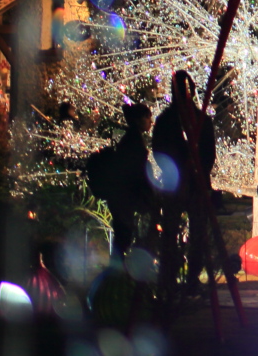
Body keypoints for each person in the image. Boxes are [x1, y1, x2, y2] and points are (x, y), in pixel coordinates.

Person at [153, 71, 217, 294]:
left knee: (197, 231)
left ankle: (190, 277)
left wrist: (199, 171)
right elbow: (160, 151)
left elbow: (209, 153)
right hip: (176, 182)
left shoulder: (200, 120)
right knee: (171, 231)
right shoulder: (167, 121)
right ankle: (170, 276)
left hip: (195, 182)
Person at [88, 102, 154, 256]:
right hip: (124, 196)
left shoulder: (131, 138)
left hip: (121, 196)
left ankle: (118, 272)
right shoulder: (133, 141)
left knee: (123, 234)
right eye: (147, 117)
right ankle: (117, 273)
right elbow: (135, 170)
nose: (150, 121)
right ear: (138, 119)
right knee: (123, 235)